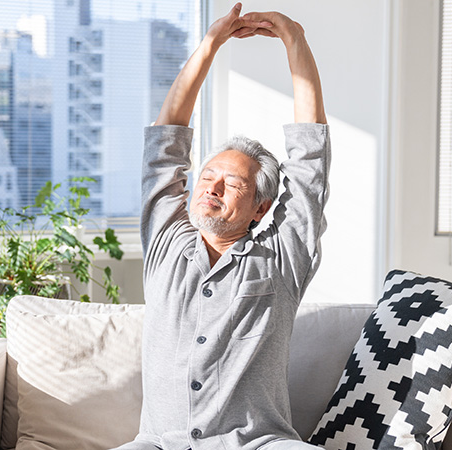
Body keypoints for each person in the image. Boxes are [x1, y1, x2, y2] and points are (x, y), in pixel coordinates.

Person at [114, 3, 329, 450]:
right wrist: (210, 46)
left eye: (231, 183)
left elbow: (309, 163)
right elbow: (164, 144)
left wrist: (295, 41)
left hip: (259, 444)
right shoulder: (165, 242)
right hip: (159, 443)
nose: (211, 187)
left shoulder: (281, 259)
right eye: (206, 177)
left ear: (260, 206)